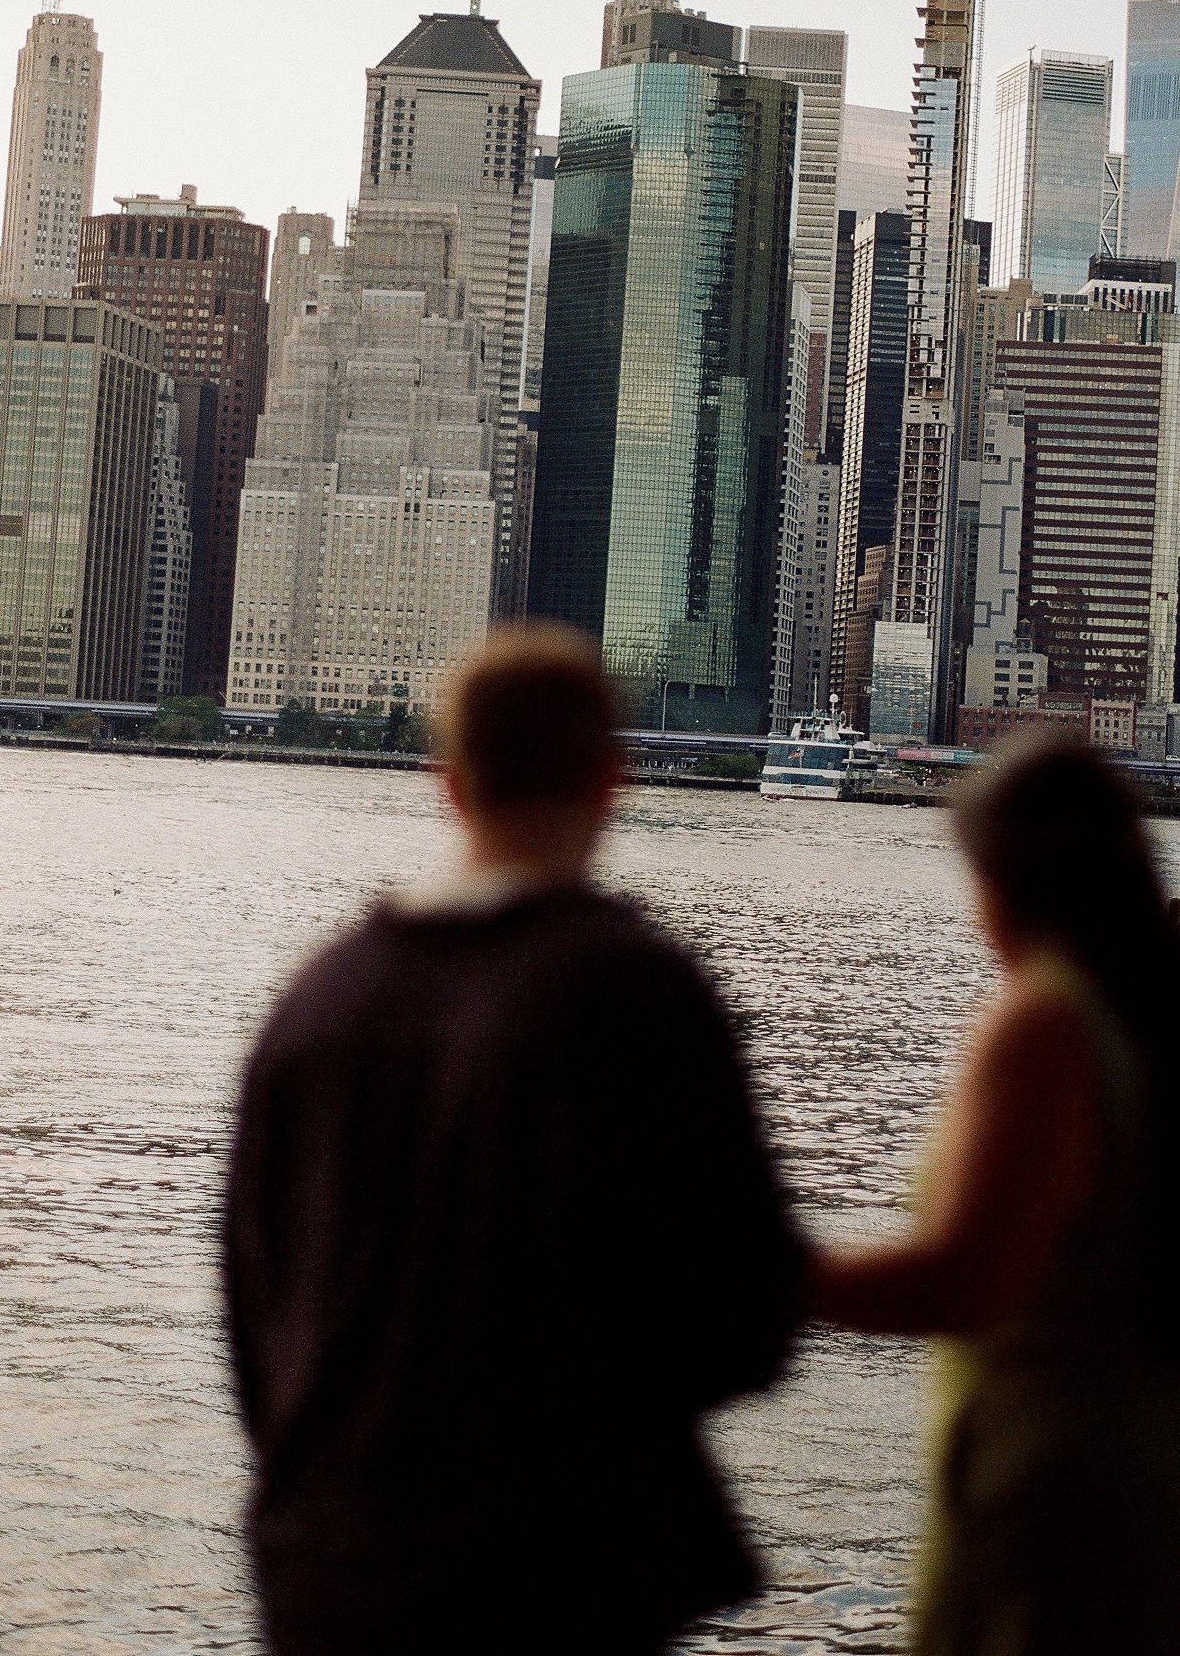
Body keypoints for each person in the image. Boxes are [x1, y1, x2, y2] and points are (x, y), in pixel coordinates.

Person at [220, 622, 805, 1656]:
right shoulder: (638, 991)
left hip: (326, 1569)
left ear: (449, 782)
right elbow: (746, 1318)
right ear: (608, 778)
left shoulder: (312, 1007)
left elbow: (254, 1314)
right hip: (555, 1575)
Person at [811, 731, 1180, 1656]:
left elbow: (964, 1279)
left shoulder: (1049, 1022)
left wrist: (762, 1273)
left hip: (1071, 1514)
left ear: (1003, 885)